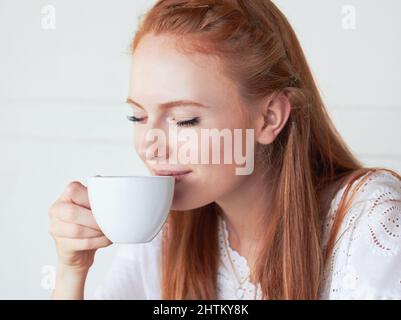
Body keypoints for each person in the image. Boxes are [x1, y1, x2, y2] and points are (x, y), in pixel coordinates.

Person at [48, 0, 401, 300]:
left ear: (268, 118)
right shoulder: (163, 229)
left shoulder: (373, 227)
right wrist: (71, 270)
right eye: (137, 116)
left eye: (184, 120)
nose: (150, 144)